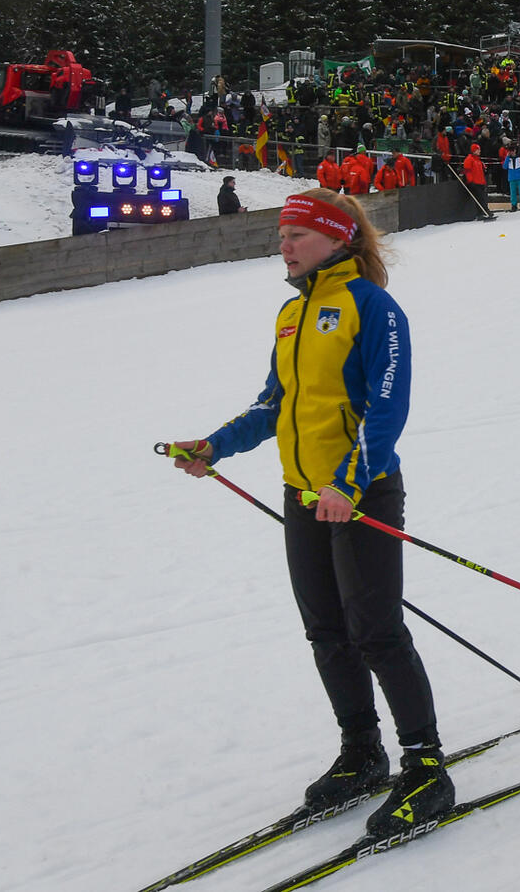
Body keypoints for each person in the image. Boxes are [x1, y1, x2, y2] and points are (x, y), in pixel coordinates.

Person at [162, 190, 453, 837]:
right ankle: (362, 752)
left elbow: (387, 408)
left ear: (335, 238)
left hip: (361, 494)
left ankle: (427, 767)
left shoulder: (371, 307)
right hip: (304, 496)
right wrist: (214, 446)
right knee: (326, 632)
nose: (284, 246)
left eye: (296, 234)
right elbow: (274, 405)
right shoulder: (292, 315)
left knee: (377, 633)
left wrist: (348, 483)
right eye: (281, 235)